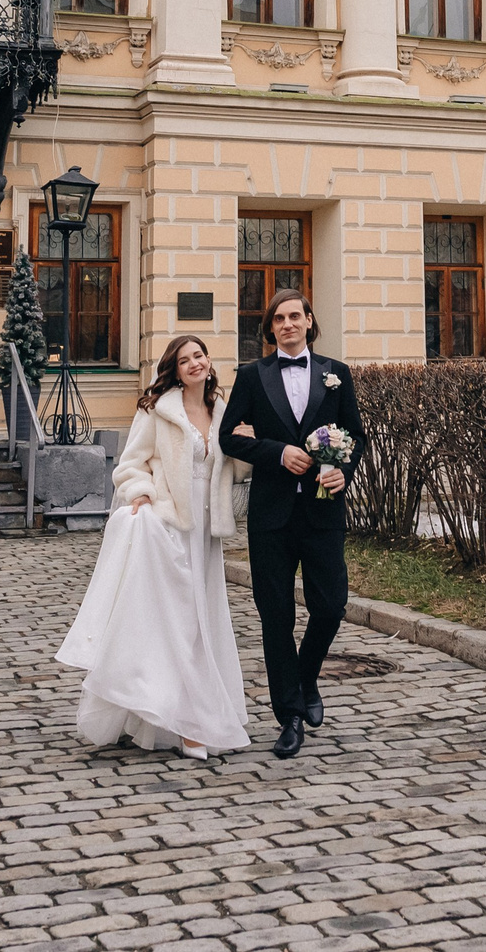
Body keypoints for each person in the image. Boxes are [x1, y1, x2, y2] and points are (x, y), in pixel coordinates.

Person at [55, 334, 250, 760]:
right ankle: (189, 723)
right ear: (175, 370)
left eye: (199, 356)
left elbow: (233, 470)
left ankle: (176, 715)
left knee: (204, 620)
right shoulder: (157, 410)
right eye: (185, 360)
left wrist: (246, 442)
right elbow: (129, 465)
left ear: (209, 361)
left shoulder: (221, 411)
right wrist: (141, 494)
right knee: (178, 623)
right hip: (170, 525)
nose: (195, 364)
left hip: (205, 531)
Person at [219, 287, 365, 760]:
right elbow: (228, 438)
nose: (287, 324)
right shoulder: (252, 376)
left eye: (294, 316)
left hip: (322, 512)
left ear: (308, 321)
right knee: (275, 616)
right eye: (278, 319)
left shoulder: (335, 373)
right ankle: (290, 717)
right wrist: (277, 452)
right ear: (270, 328)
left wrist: (345, 468)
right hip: (271, 517)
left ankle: (306, 678)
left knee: (331, 606)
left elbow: (356, 437)